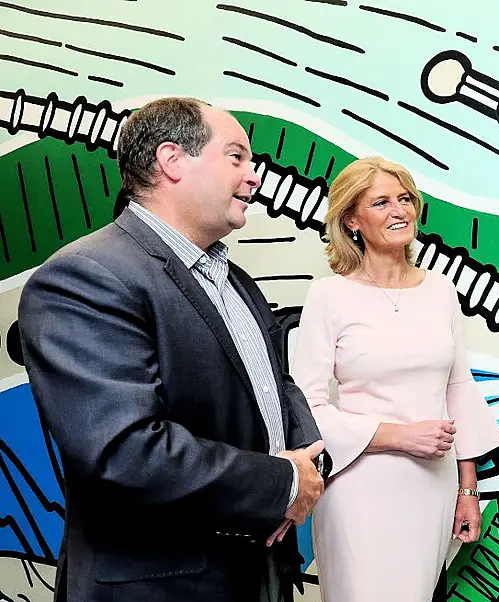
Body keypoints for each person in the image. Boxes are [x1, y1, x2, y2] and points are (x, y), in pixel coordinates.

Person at [18, 97, 329, 602]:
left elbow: (279, 384)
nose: (255, 177)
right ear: (172, 160)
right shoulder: (86, 277)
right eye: (237, 157)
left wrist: (308, 467)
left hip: (259, 568)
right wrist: (281, 484)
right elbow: (124, 453)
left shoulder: (235, 280)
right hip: (164, 585)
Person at [290, 155, 499, 601]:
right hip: (359, 485)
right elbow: (304, 405)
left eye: (405, 199)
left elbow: (458, 391)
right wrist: (397, 436)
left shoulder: (441, 290)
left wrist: (468, 489)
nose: (399, 211)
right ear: (351, 219)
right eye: (381, 202)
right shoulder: (329, 295)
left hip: (433, 486)